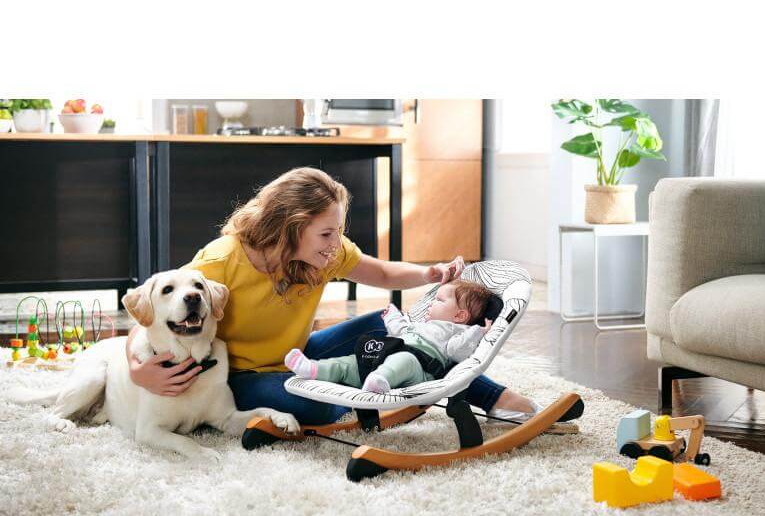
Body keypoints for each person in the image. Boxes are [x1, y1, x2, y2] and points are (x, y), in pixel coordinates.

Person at [126, 166, 541, 425]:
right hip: (239, 375)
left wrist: (427, 273)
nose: (335, 243)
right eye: (326, 233)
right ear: (290, 226)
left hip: (299, 354)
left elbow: (380, 272)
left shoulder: (325, 253)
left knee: (396, 329)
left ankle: (490, 395)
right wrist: (135, 368)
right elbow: (152, 310)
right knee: (319, 407)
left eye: (338, 231)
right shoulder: (220, 261)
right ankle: (387, 386)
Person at [284, 280, 494, 393]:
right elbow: (401, 331)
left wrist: (478, 332)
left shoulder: (457, 332)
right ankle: (313, 368)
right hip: (388, 352)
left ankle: (380, 380)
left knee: (404, 360)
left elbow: (458, 352)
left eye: (439, 300)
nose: (432, 303)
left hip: (420, 368)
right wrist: (393, 317)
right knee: (351, 362)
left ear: (459, 316)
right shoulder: (423, 325)